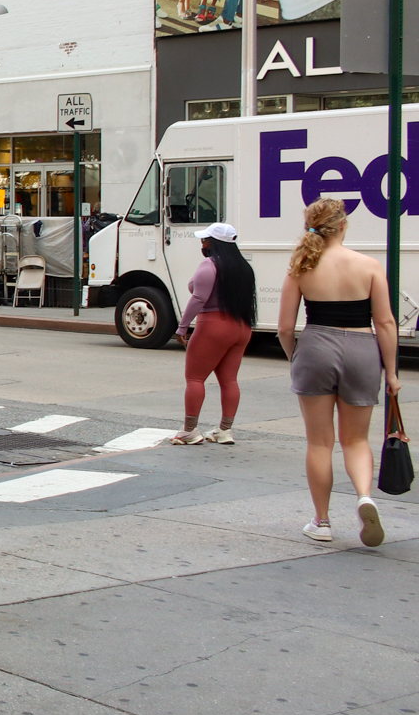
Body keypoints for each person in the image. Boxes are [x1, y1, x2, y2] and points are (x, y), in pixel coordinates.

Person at [277, 199, 400, 547]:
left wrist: (295, 358)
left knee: (320, 442)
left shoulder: (300, 267)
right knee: (356, 439)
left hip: (316, 345)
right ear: (343, 226)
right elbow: (386, 322)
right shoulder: (369, 265)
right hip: (363, 348)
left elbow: (285, 328)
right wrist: (391, 372)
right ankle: (364, 496)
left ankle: (322, 521)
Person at [171, 223, 256, 445]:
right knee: (229, 380)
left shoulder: (209, 266)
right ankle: (225, 430)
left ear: (214, 243)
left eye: (205, 239)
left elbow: (198, 298)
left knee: (195, 378)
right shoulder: (244, 268)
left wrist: (182, 327)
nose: (202, 243)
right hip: (241, 327)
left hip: (213, 325)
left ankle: (189, 430)